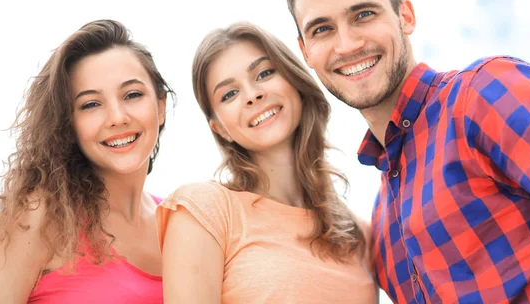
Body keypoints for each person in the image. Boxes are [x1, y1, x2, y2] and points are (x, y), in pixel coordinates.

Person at [277, 0, 530, 303]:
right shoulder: (385, 227)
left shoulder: (483, 94)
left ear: (405, 16)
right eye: (322, 29)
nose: (346, 44)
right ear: (305, 51)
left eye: (363, 14)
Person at [156, 22, 377, 303]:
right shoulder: (203, 212)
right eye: (229, 94)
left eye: (264, 73)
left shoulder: (359, 235)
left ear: (294, 80)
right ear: (219, 128)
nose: (252, 95)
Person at [0, 20, 172, 303]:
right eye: (91, 104)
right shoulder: (40, 217)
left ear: (160, 105)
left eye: (132, 95)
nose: (117, 117)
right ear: (69, 124)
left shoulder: (178, 224)